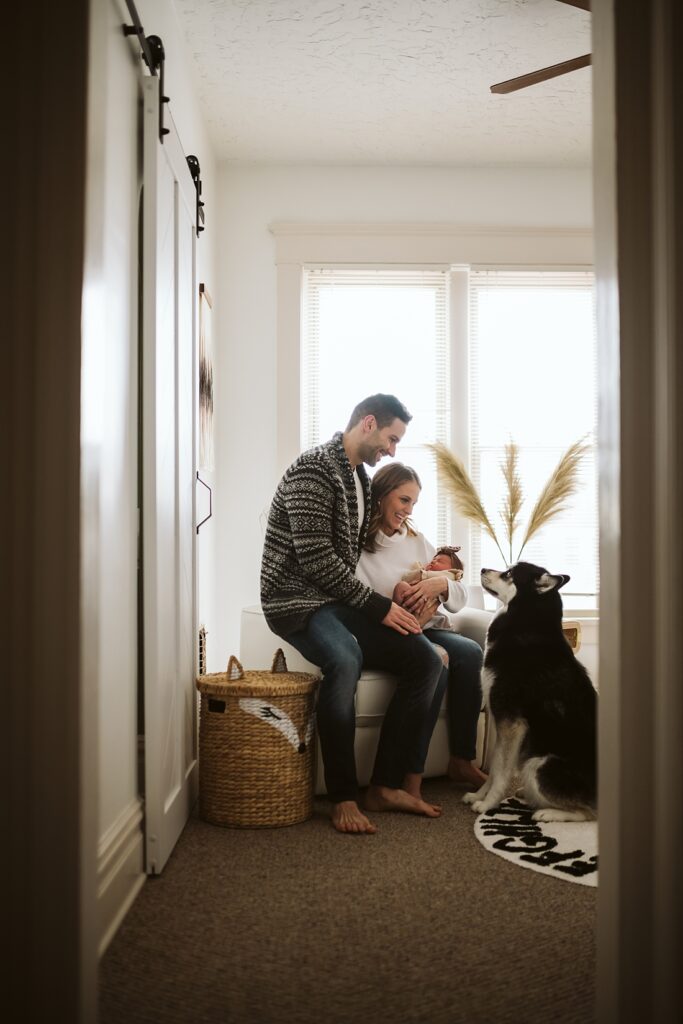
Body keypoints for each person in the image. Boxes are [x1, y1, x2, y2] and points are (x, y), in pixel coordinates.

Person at [260, 394, 446, 835]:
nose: (393, 451)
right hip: (295, 599)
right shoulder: (313, 469)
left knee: (423, 658)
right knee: (345, 658)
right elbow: (317, 561)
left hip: (336, 600)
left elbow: (359, 554)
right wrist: (378, 607)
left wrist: (419, 581)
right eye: (392, 438)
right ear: (368, 424)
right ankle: (343, 794)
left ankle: (383, 787)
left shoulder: (359, 480)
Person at [355, 463, 487, 799]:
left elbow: (460, 594)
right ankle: (410, 776)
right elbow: (357, 600)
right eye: (403, 500)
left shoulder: (418, 541)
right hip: (392, 632)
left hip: (428, 627)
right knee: (436, 660)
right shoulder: (359, 546)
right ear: (382, 496)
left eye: (413, 503)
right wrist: (399, 602)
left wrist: (440, 585)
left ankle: (461, 759)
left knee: (470, 652)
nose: (408, 510)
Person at [394, 546, 464, 627]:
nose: (433, 561)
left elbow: (457, 586)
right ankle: (399, 618)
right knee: (401, 586)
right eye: (433, 559)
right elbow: (407, 578)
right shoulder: (421, 572)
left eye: (440, 561)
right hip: (409, 611)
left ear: (451, 570)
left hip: (431, 624)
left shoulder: (450, 576)